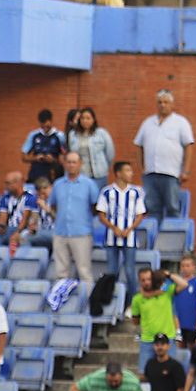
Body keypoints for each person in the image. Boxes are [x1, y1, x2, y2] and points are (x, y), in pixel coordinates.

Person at [133, 88, 194, 221]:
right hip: (150, 173)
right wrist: (142, 168)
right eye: (160, 102)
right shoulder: (148, 122)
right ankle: (154, 239)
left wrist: (186, 171)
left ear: (172, 104)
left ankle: (173, 240)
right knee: (151, 207)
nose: (163, 105)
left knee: (172, 208)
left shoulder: (181, 122)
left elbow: (188, 146)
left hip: (171, 174)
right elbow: (138, 145)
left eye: (166, 102)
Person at [96, 158, 148, 296]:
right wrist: (114, 228)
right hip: (111, 238)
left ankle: (131, 303)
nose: (131, 174)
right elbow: (101, 215)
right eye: (128, 170)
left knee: (130, 271)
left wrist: (129, 229)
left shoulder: (136, 192)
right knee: (112, 271)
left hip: (129, 238)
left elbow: (140, 215)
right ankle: (111, 299)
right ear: (118, 173)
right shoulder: (107, 191)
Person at [129, 266, 189, 370]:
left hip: (168, 338)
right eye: (143, 280)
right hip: (148, 340)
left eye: (149, 279)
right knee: (145, 373)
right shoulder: (137, 299)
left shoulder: (166, 292)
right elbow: (135, 321)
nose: (147, 282)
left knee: (170, 371)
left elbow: (184, 284)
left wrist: (168, 274)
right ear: (139, 281)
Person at [50, 151, 97, 283]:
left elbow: (95, 206)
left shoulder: (89, 184)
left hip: (81, 233)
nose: (71, 165)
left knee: (84, 271)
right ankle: (63, 302)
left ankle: (87, 302)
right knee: (61, 272)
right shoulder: (58, 184)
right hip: (60, 233)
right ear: (64, 164)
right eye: (68, 162)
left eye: (74, 162)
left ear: (80, 164)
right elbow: (53, 205)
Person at [67, 106, 114, 183]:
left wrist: (105, 167)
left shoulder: (102, 133)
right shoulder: (73, 134)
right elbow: (72, 153)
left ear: (93, 120)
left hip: (99, 174)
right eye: (82, 118)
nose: (85, 121)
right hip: (81, 174)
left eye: (88, 118)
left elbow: (110, 154)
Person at [20, 108, 65, 184]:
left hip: (53, 176)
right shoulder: (33, 135)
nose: (44, 127)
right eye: (42, 125)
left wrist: (53, 160)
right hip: (36, 174)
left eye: (47, 125)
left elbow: (65, 157)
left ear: (51, 121)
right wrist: (36, 158)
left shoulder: (60, 136)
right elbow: (23, 157)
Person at [171, 254, 196, 347]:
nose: (185, 268)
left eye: (188, 265)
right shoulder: (176, 282)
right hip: (179, 319)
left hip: (192, 320)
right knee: (180, 344)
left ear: (194, 267)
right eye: (183, 266)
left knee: (191, 344)